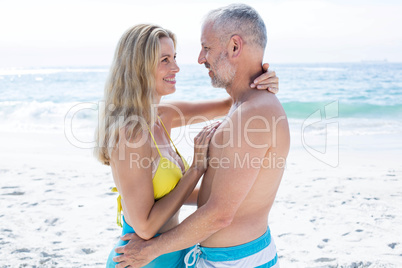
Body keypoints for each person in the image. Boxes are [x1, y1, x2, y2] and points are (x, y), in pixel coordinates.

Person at [113, 4, 290, 268]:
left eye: (206, 48)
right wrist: (196, 169)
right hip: (160, 256)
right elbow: (229, 104)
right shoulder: (139, 128)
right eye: (165, 60)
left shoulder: (251, 111)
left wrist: (264, 81)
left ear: (234, 47)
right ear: (140, 67)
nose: (195, 60)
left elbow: (219, 214)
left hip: (230, 260)